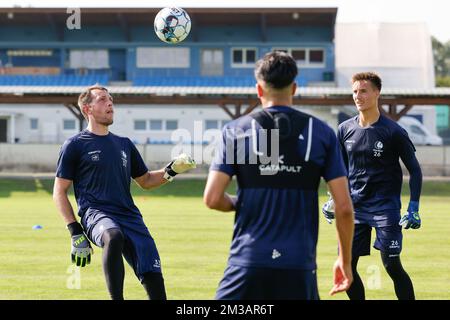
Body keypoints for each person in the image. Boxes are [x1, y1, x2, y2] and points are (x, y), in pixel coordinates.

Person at [203, 51, 355, 300]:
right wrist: (344, 261)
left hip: (247, 261)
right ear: (294, 88)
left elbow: (212, 198)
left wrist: (239, 203)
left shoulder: (235, 131)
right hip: (298, 265)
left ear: (259, 90)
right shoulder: (323, 133)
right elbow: (344, 207)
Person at [53, 85, 196, 300]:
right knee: (113, 236)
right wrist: (75, 232)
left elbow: (146, 181)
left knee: (154, 280)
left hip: (130, 217)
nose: (110, 103)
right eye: (102, 99)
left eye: (111, 99)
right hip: (96, 214)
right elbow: (59, 191)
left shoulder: (124, 144)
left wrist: (171, 170)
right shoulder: (74, 145)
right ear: (87, 109)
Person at [322, 72, 422, 300]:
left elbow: (415, 170)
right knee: (347, 266)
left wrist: (413, 207)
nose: (358, 96)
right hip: (353, 209)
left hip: (385, 208)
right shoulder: (344, 130)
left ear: (377, 93)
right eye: (355, 91)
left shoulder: (394, 131)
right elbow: (339, 170)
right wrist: (333, 198)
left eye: (364, 91)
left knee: (392, 265)